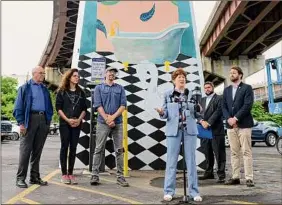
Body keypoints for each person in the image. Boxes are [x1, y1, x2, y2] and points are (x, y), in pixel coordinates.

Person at [155, 68, 202, 202]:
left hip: (190, 131)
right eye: (179, 77)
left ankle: (194, 192)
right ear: (174, 80)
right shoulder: (167, 94)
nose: (182, 79)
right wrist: (160, 112)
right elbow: (165, 115)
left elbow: (197, 114)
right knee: (171, 161)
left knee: (191, 161)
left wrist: (200, 109)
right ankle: (169, 191)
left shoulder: (192, 94)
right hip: (173, 131)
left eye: (183, 77)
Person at [13, 66, 53, 188]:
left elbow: (49, 106)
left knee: (37, 151)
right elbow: (18, 107)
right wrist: (21, 123)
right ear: (34, 74)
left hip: (43, 120)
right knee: (25, 151)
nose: (43, 75)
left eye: (43, 73)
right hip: (29, 119)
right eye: (41, 73)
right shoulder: (25, 88)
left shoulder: (45, 89)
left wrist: (48, 120)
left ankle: (34, 177)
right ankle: (20, 178)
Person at [90, 67, 129, 187]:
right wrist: (107, 119)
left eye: (114, 72)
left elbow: (123, 105)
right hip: (103, 122)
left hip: (117, 123)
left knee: (119, 150)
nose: (112, 74)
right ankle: (94, 175)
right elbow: (97, 105)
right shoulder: (99, 88)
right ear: (105, 74)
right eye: (109, 72)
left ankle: (120, 177)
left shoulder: (120, 88)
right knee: (98, 149)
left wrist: (113, 118)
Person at [222, 66, 255, 187]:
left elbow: (247, 105)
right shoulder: (226, 90)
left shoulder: (247, 88)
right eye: (230, 73)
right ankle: (235, 177)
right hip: (231, 126)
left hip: (244, 125)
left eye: (234, 73)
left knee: (246, 151)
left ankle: (249, 178)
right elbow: (223, 106)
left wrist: (236, 118)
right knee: (234, 152)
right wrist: (229, 119)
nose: (231, 74)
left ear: (240, 75)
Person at [56, 68, 87, 184]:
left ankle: (71, 173)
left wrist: (79, 120)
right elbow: (58, 108)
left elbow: (84, 109)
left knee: (73, 148)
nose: (77, 78)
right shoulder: (62, 91)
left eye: (78, 76)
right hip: (65, 123)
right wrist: (67, 120)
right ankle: (64, 174)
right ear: (69, 77)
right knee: (65, 147)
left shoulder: (81, 92)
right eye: (75, 76)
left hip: (77, 123)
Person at [198, 82, 226, 183]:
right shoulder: (201, 100)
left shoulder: (219, 98)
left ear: (213, 88)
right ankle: (209, 173)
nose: (207, 89)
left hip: (216, 130)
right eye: (205, 88)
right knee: (207, 152)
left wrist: (208, 123)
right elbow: (198, 113)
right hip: (204, 130)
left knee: (219, 153)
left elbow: (218, 112)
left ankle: (221, 175)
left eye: (209, 87)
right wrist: (201, 121)